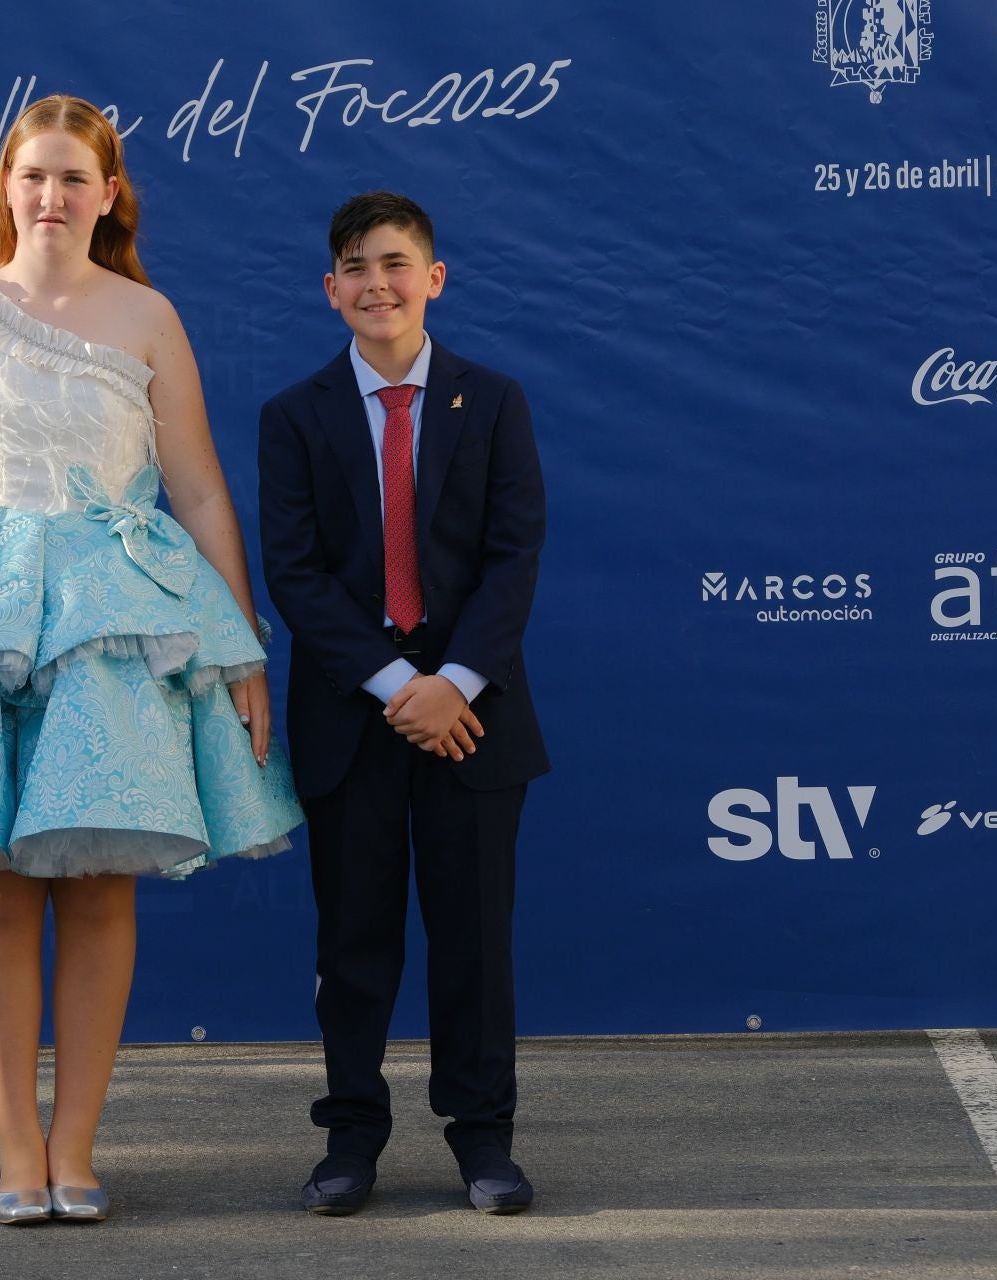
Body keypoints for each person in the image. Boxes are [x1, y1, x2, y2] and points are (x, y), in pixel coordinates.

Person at [0, 94, 302, 1226]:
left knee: (96, 888)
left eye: (74, 178)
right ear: (5, 186)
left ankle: (75, 1146)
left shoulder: (149, 315)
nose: (51, 196)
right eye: (32, 175)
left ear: (109, 194)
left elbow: (198, 490)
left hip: (109, 629)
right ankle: (15, 1150)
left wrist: (242, 645)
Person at [257, 192, 550, 1216]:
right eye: (355, 266)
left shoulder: (494, 401)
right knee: (354, 942)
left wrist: (452, 683)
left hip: (474, 717)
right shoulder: (294, 416)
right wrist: (395, 686)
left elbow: (514, 556)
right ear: (329, 289)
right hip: (355, 715)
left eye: (394, 263)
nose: (375, 283)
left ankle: (484, 1138)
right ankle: (350, 1138)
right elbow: (294, 573)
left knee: (475, 941)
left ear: (434, 278)